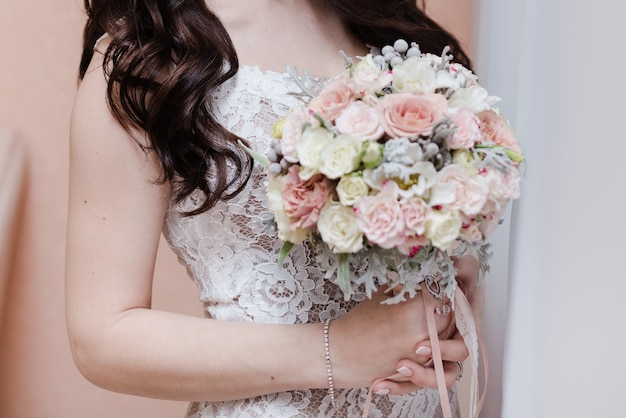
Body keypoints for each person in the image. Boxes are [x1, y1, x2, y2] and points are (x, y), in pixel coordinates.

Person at [65, 1, 483, 417]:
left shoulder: (391, 25)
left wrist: (449, 270)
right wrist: (336, 350)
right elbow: (102, 339)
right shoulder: (151, 55)